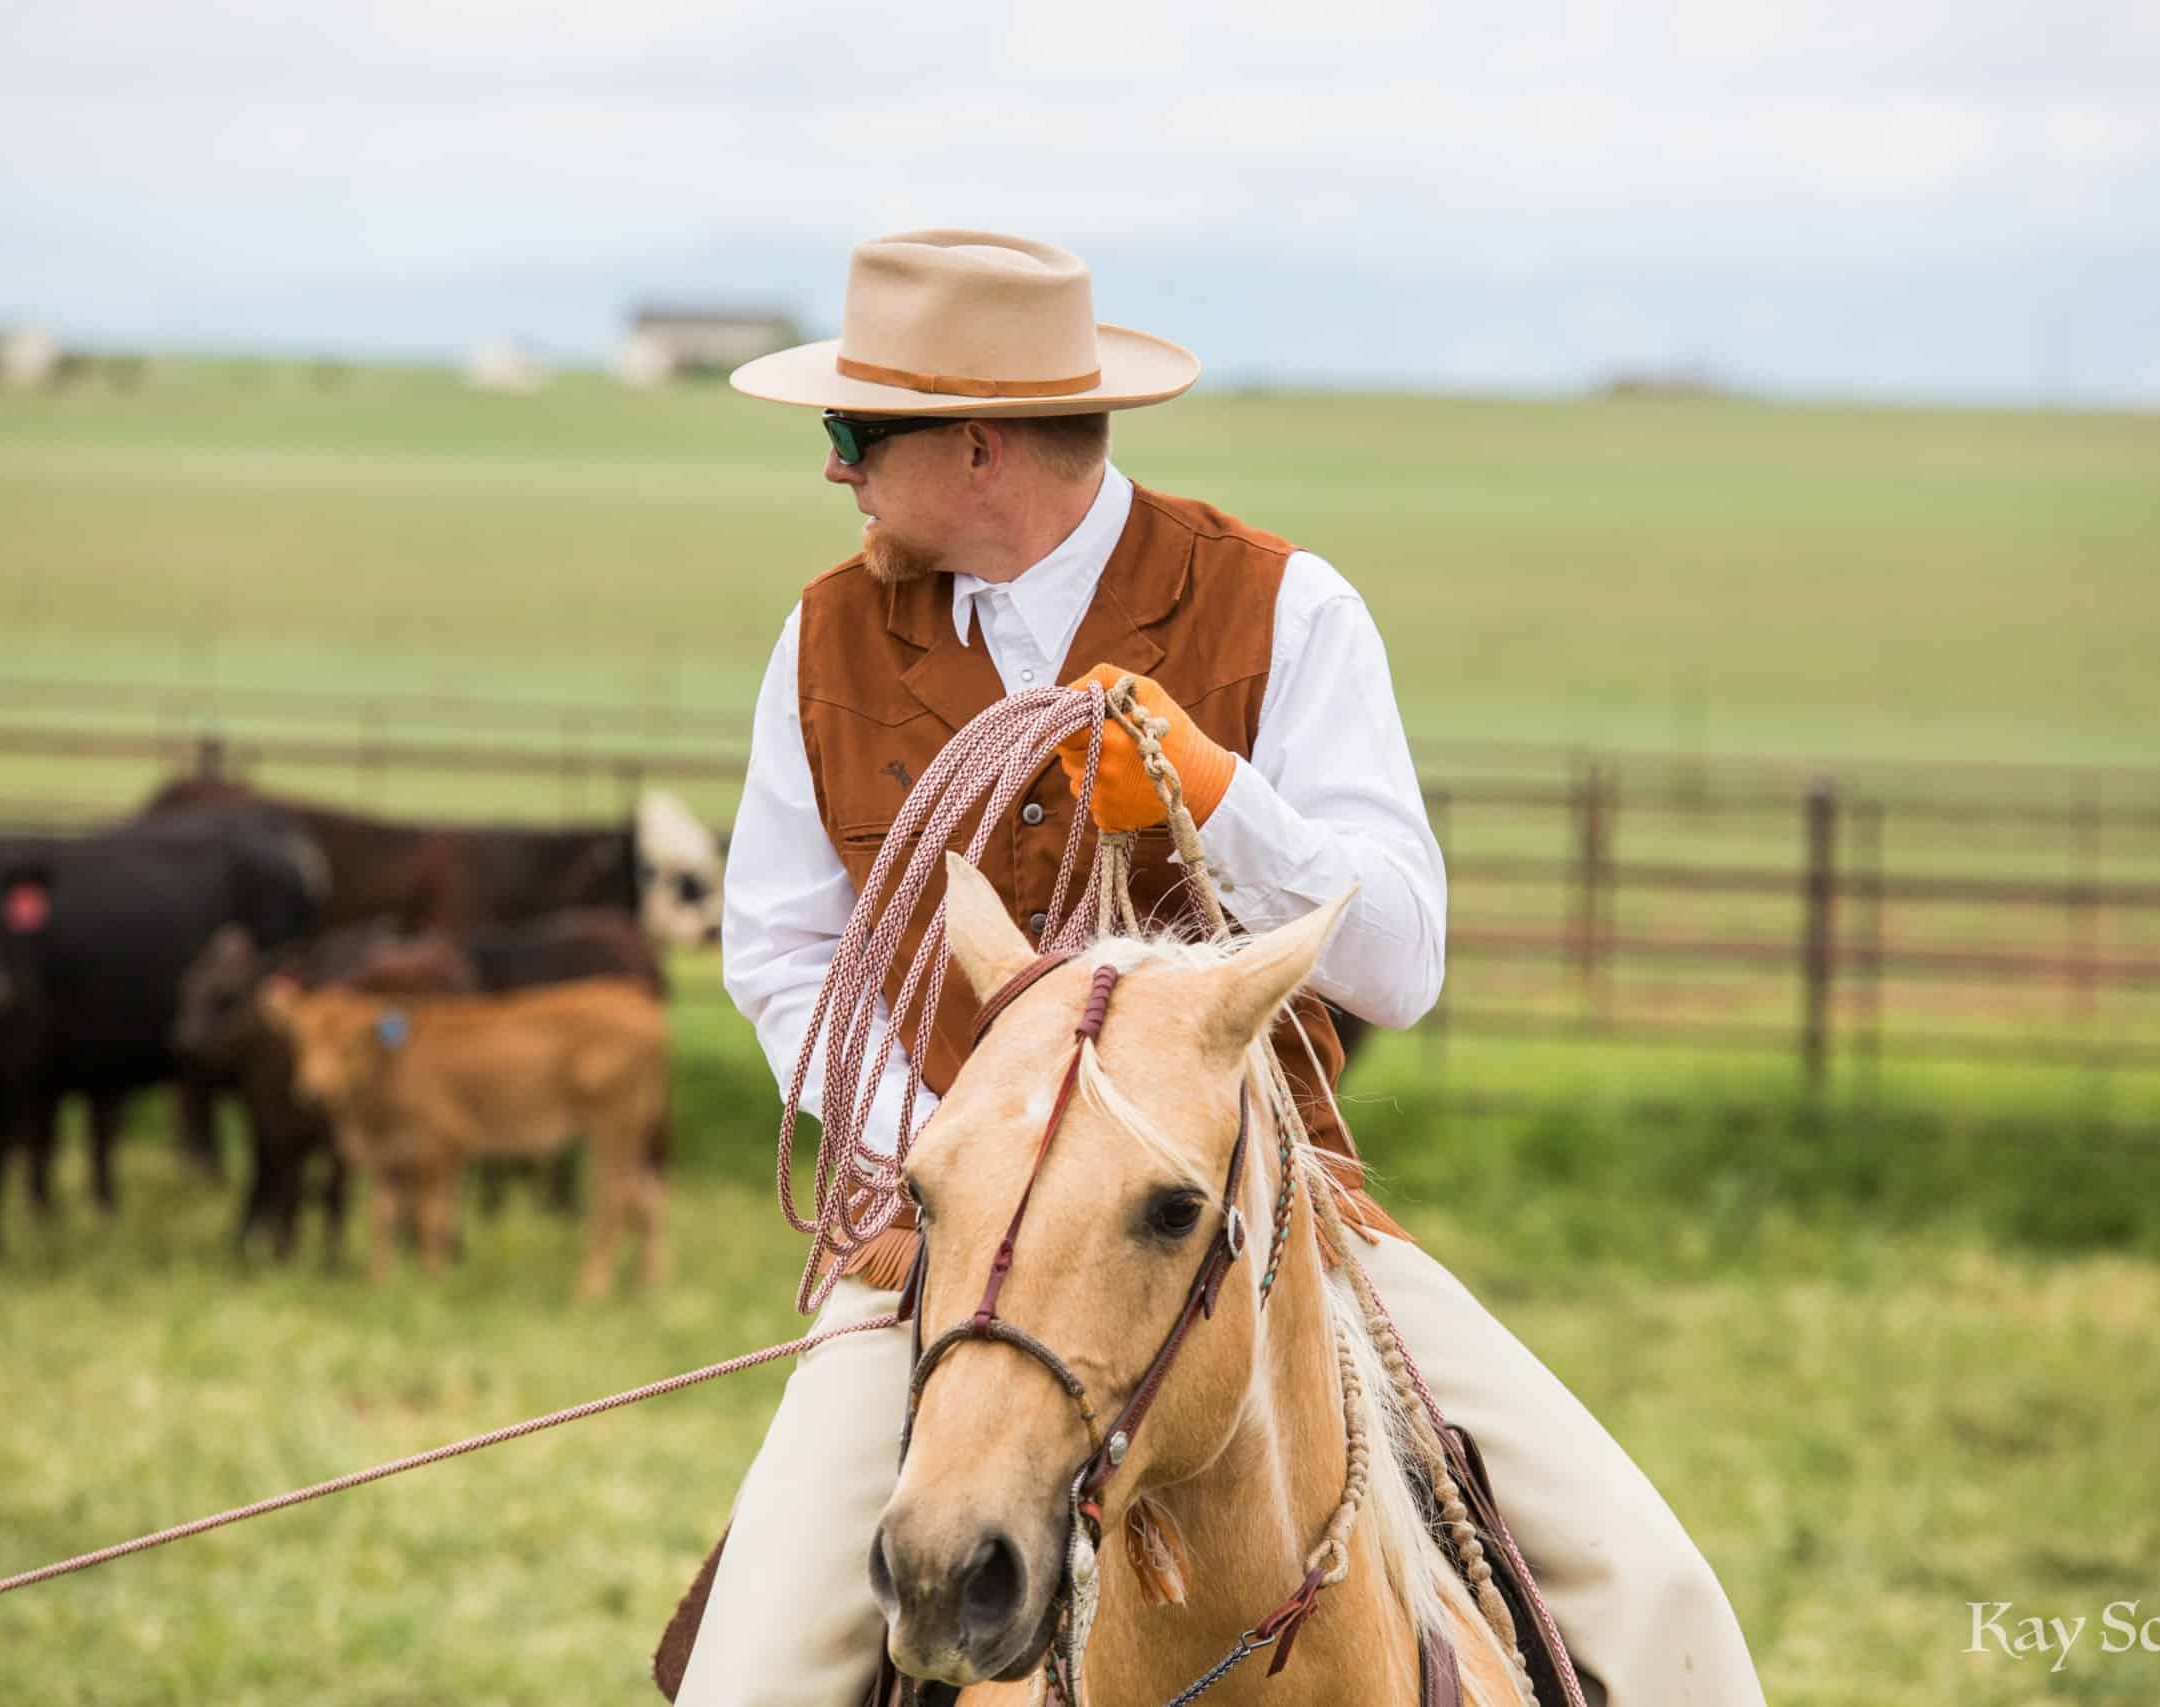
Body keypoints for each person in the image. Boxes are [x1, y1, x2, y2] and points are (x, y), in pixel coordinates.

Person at [681, 229, 1764, 1705]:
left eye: (854, 432)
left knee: (1658, 1608)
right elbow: (785, 953)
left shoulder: (1287, 610)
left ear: (980, 446)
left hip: (1262, 1229)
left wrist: (1214, 794)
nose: (834, 470)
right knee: (758, 1675)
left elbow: (1400, 960)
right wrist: (945, 1163)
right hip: (939, 1252)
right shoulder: (821, 639)